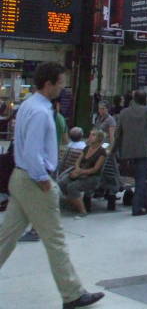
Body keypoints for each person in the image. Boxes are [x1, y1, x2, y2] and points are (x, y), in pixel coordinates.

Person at [0, 62, 105, 308]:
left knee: (7, 237)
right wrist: (44, 180)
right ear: (48, 84)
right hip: (35, 182)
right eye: (60, 82)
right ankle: (72, 293)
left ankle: (73, 292)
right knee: (55, 239)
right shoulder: (39, 112)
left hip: (20, 177)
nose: (63, 87)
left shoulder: (28, 106)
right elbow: (35, 151)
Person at [113, 89, 147, 216]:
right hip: (143, 149)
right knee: (141, 179)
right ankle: (136, 208)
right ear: (144, 99)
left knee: (138, 178)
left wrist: (114, 150)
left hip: (126, 151)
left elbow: (118, 133)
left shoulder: (124, 112)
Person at [58, 130, 106, 218]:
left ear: (99, 138)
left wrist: (80, 172)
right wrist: (77, 170)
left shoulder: (101, 152)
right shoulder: (86, 148)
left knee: (72, 187)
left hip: (92, 177)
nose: (90, 136)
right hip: (81, 173)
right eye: (90, 134)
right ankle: (74, 203)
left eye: (93, 135)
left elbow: (95, 169)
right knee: (62, 182)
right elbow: (77, 162)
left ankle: (82, 211)